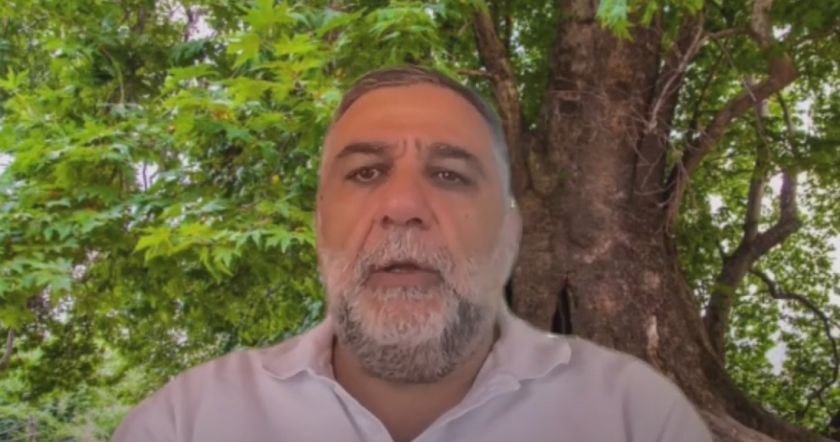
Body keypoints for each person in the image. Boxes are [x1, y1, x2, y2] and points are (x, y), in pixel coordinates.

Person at [112, 66, 712, 442]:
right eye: (366, 172)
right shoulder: (186, 422)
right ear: (319, 226)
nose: (402, 206)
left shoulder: (638, 419)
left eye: (450, 175)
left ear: (510, 236)